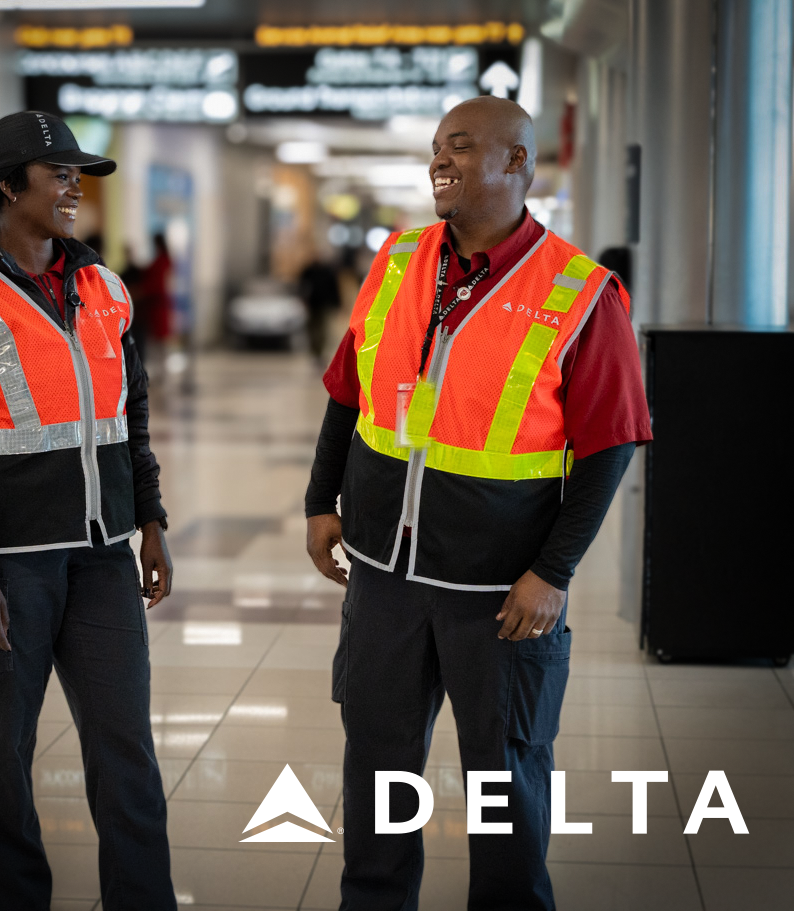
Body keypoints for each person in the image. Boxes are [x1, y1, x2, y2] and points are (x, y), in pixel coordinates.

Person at [305, 96, 652, 911]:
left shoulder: (580, 292)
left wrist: (552, 571)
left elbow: (612, 446)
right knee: (380, 772)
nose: (441, 160)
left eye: (460, 146)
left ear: (517, 163)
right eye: (436, 147)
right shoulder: (397, 261)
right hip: (384, 578)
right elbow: (347, 394)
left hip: (500, 595)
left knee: (505, 783)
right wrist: (321, 500)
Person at [0, 111, 176, 910]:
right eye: (57, 173)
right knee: (3, 754)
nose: (74, 189)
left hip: (102, 561)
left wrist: (152, 518)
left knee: (126, 749)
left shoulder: (106, 289)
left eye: (78, 175)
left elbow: (128, 417)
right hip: (10, 570)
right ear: (6, 187)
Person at [298, 252, 341, 364]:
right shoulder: (308, 271)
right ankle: (314, 352)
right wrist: (302, 300)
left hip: (323, 304)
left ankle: (320, 353)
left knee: (322, 330)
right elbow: (301, 286)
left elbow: (333, 288)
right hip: (311, 304)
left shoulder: (327, 271)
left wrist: (336, 303)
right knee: (312, 329)